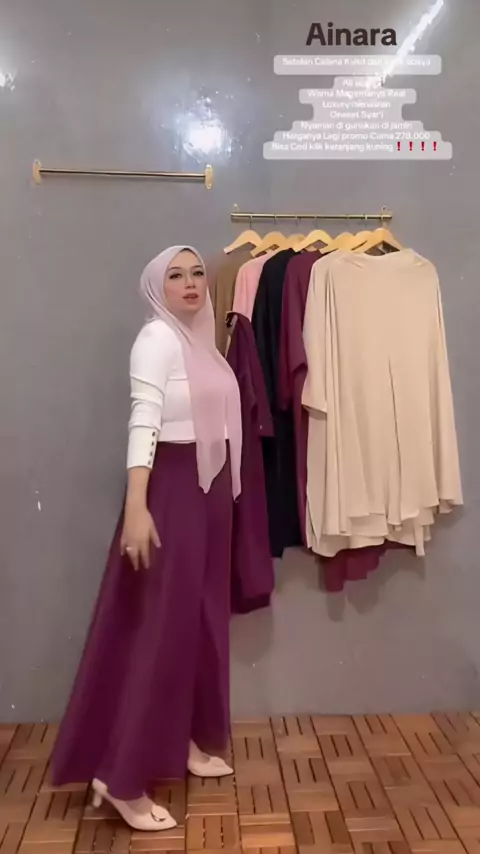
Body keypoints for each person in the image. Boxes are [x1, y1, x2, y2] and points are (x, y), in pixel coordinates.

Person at [51, 246, 243, 832]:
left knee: (199, 620)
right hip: (171, 491)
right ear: (158, 286)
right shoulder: (156, 339)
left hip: (208, 493)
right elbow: (145, 419)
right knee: (159, 628)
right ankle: (121, 777)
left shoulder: (202, 343)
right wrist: (138, 504)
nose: (189, 283)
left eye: (196, 273)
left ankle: (183, 739)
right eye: (175, 275)